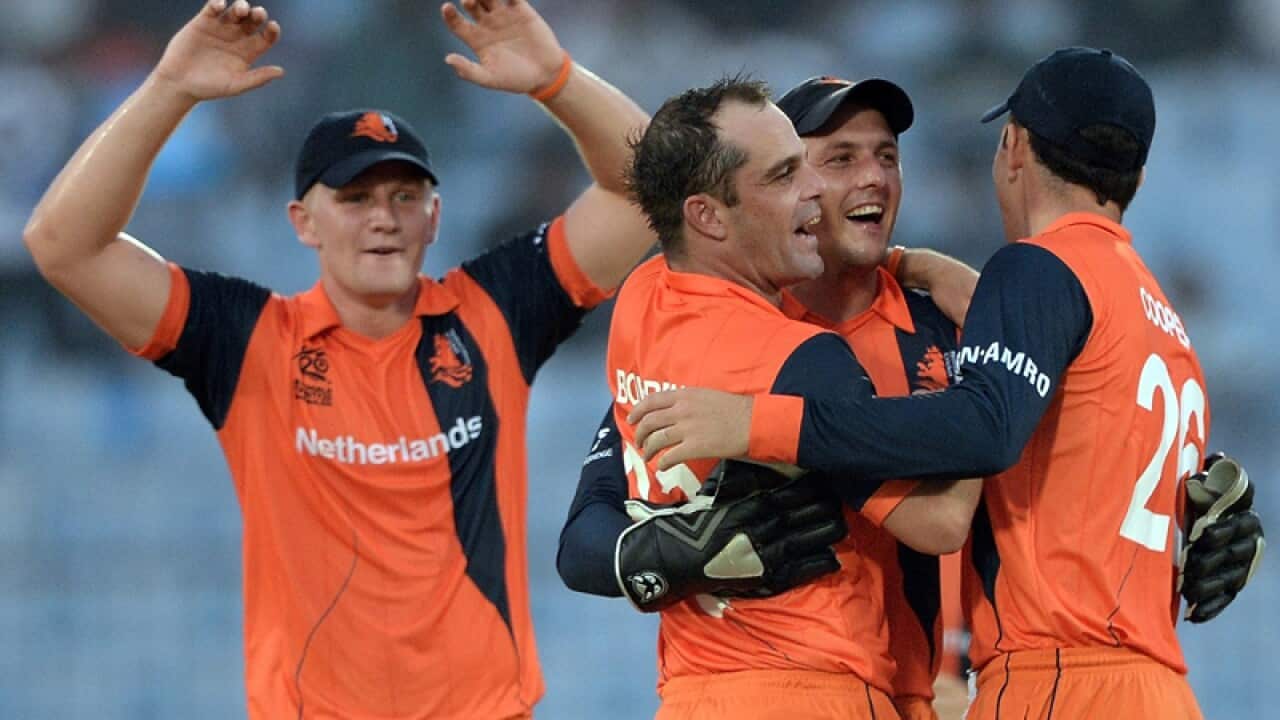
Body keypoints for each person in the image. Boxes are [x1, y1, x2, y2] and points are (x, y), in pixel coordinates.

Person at [22, 1, 655, 718]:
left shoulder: (495, 311)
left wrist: (557, 79)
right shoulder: (249, 338)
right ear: (303, 222)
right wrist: (171, 87)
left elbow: (649, 188)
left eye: (404, 195)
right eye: (354, 198)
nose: (383, 217)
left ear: (434, 217)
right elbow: (61, 244)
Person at [628, 47, 1266, 718]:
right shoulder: (1158, 317)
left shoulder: (996, 298)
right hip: (1141, 682)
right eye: (836, 159)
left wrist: (755, 422)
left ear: (1013, 147)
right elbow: (594, 522)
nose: (872, 177)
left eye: (887, 156)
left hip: (1032, 681)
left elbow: (964, 472)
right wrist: (645, 555)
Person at [558, 73, 997, 720]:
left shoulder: (650, 294)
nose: (857, 180)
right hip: (828, 687)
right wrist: (994, 358)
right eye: (824, 163)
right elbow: (939, 521)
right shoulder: (803, 354)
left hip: (711, 695)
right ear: (712, 211)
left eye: (887, 155)